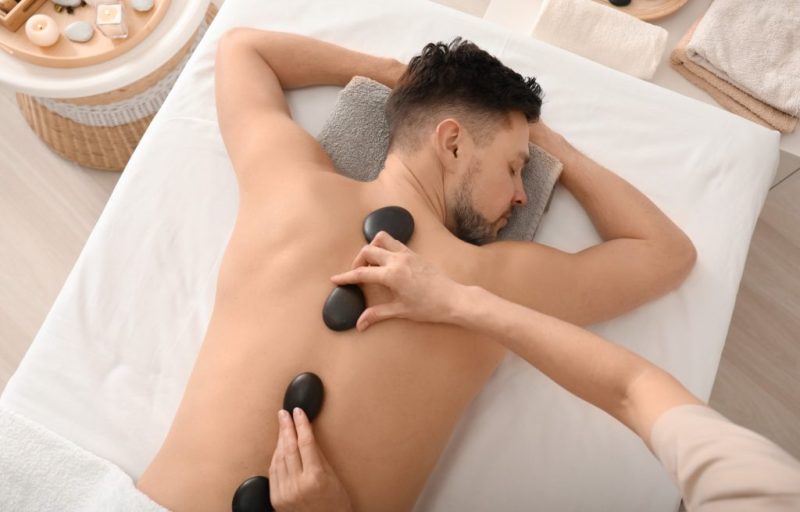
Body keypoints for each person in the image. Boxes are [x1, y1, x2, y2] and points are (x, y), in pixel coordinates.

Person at [135, 29, 696, 512]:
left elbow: (242, 50)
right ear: (451, 142)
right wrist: (413, 84)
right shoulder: (491, 285)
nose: (526, 195)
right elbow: (663, 252)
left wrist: (415, 86)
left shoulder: (287, 184)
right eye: (516, 165)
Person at [267, 232, 800, 511]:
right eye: (515, 164)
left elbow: (666, 260)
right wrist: (460, 301)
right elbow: (633, 389)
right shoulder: (761, 489)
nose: (524, 193)